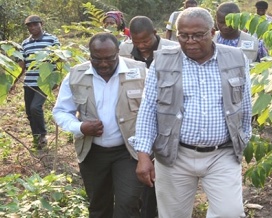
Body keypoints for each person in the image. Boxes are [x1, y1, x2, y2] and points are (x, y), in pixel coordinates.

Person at [134, 7, 252, 218]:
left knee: (230, 213)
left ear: (212, 33)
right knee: (173, 215)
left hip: (221, 155)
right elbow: (148, 109)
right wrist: (143, 155)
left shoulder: (236, 58)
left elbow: (244, 105)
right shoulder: (162, 62)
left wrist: (242, 138)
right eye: (184, 35)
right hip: (174, 155)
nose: (190, 41)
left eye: (198, 35)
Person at [52, 32, 146, 218]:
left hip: (128, 152)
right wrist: (80, 127)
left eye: (109, 58)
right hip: (93, 152)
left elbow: (153, 109)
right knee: (98, 206)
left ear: (118, 52)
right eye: (97, 59)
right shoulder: (76, 76)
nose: (103, 64)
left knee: (128, 204)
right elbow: (61, 111)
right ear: (90, 55)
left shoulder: (141, 72)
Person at [119, 16, 178, 218]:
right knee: (141, 164)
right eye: (137, 43)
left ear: (155, 33)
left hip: (165, 115)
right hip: (134, 115)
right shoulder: (123, 51)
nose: (142, 46)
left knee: (161, 167)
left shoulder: (173, 49)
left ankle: (157, 209)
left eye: (146, 41)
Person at [19, 15, 60, 149]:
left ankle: (42, 134)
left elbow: (59, 59)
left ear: (41, 24)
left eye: (35, 24)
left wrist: (56, 78)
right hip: (29, 82)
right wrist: (14, 81)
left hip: (44, 81)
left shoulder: (52, 40)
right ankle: (36, 137)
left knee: (35, 107)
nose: (32, 27)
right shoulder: (25, 43)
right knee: (29, 112)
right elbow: (22, 64)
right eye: (30, 26)